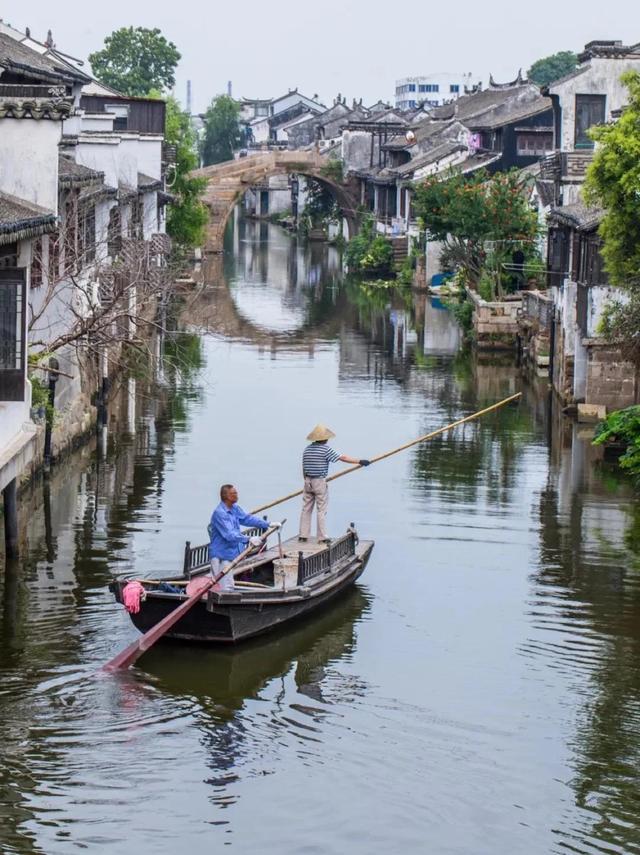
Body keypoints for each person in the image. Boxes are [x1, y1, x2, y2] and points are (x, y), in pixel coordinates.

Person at [299, 424, 370, 543]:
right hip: (319, 481)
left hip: (307, 481)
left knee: (306, 508)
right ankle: (322, 537)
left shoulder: (307, 449)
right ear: (325, 439)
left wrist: (306, 481)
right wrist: (360, 461)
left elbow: (303, 467)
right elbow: (343, 458)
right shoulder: (325, 449)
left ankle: (303, 535)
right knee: (321, 509)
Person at [208, 484, 277, 591]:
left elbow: (247, 519)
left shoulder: (234, 508)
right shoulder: (220, 513)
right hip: (221, 555)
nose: (237, 495)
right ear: (226, 496)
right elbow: (229, 534)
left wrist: (268, 524)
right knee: (222, 587)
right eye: (234, 493)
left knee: (228, 585)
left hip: (230, 553)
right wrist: (248, 539)